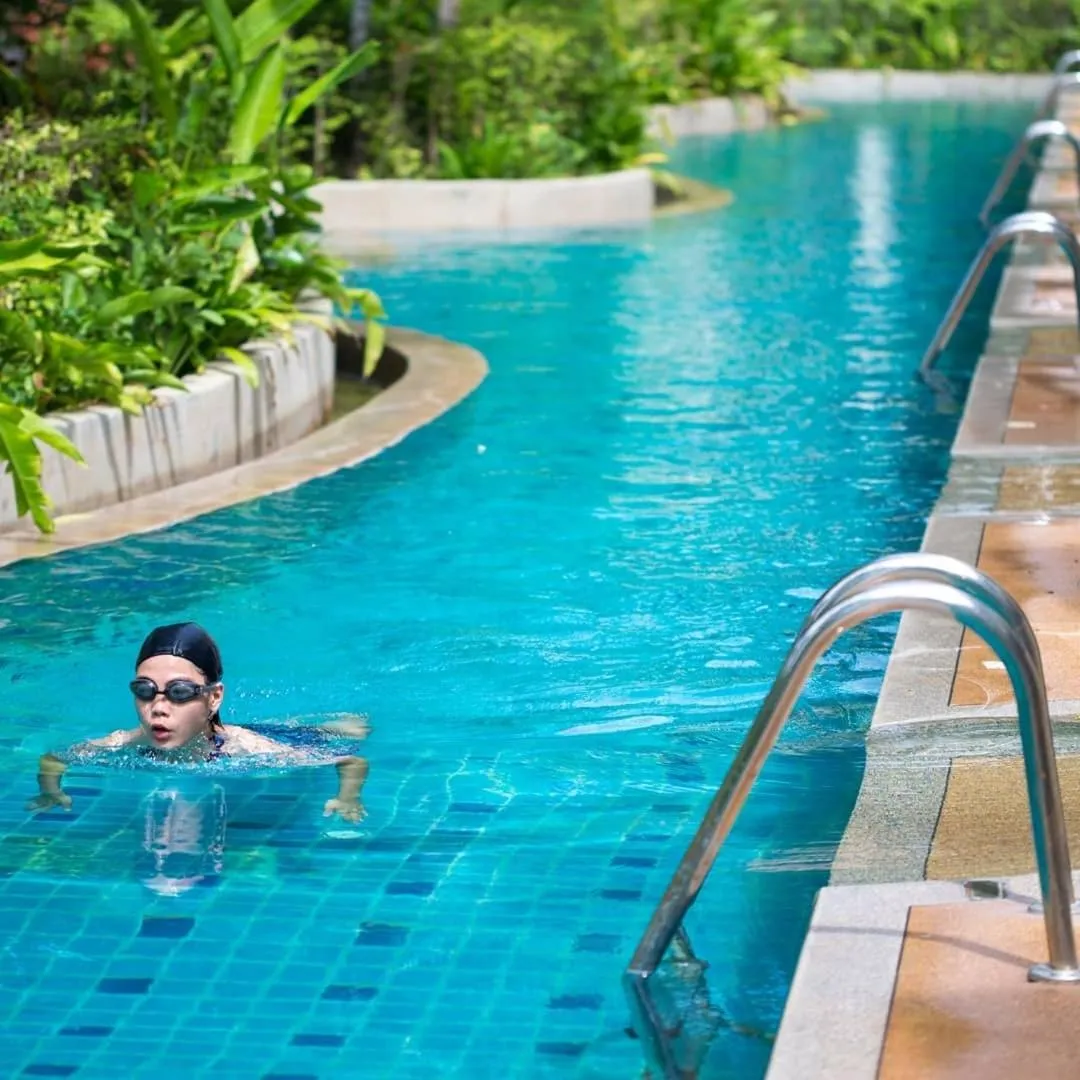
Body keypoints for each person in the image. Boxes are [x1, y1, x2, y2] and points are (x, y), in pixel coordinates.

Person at [27, 622, 369, 822]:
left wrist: (348, 799)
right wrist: (51, 793)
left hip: (261, 737)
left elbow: (350, 759)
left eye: (178, 692)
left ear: (214, 697)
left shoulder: (248, 749)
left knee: (342, 731)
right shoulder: (125, 742)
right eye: (144, 691)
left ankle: (334, 724)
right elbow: (55, 758)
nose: (158, 708)